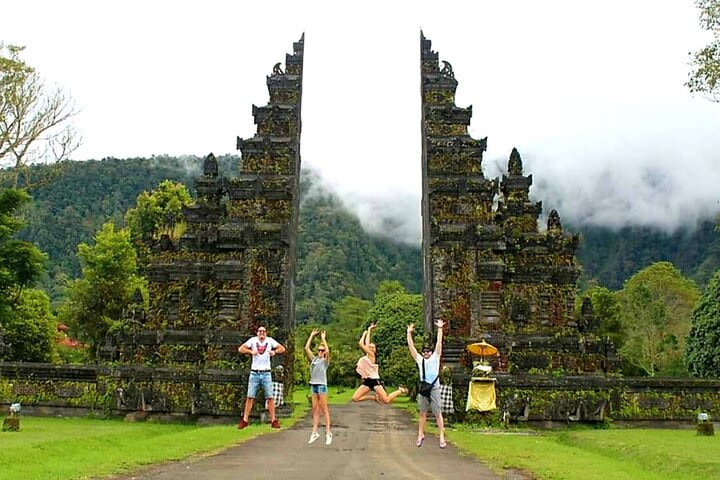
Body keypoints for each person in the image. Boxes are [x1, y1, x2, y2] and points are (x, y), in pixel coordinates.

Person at [406, 319, 446, 448]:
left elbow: (439, 343)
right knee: (422, 413)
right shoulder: (420, 360)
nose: (426, 353)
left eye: (428, 351)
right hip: (424, 387)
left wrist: (440, 329)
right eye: (424, 351)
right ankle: (420, 433)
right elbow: (411, 348)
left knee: (437, 412)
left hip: (434, 386)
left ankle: (441, 435)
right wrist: (409, 333)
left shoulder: (435, 358)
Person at [237, 326, 286, 429]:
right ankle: (245, 420)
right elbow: (241, 349)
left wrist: (274, 352)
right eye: (260, 331)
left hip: (266, 373)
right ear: (257, 333)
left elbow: (282, 348)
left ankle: (273, 420)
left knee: (270, 397)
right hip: (255, 372)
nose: (262, 333)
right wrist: (250, 352)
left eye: (263, 331)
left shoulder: (270, 341)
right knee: (250, 396)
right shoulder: (253, 340)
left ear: (266, 333)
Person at [352, 323, 408, 404]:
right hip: (367, 381)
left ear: (375, 350)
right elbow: (367, 343)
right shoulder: (367, 356)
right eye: (370, 347)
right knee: (355, 398)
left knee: (386, 400)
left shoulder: (371, 355)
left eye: (373, 347)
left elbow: (361, 343)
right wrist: (369, 330)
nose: (370, 348)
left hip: (374, 381)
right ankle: (373, 397)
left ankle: (400, 390)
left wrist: (364, 334)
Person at [304, 328, 332, 445]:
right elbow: (306, 348)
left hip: (321, 385)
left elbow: (328, 351)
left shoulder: (325, 361)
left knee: (324, 409)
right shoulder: (314, 360)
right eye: (319, 350)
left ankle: (328, 432)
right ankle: (314, 432)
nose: (320, 352)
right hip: (313, 385)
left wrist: (323, 339)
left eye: (322, 350)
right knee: (315, 409)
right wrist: (311, 336)